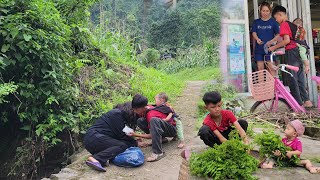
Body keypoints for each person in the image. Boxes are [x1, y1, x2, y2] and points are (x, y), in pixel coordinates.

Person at [269, 5, 313, 108]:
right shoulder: (292, 25)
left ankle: (298, 105)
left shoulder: (284, 24)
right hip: (298, 52)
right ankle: (307, 101)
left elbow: (286, 40)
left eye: (276, 18)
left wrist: (273, 47)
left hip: (291, 52)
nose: (276, 20)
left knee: (292, 78)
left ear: (280, 15)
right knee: (300, 78)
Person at [83, 102, 145, 172]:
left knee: (121, 145)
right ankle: (96, 158)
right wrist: (135, 143)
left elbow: (121, 134)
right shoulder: (116, 114)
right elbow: (121, 135)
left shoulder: (118, 115)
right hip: (94, 137)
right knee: (121, 145)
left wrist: (134, 140)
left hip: (96, 139)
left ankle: (103, 158)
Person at [130, 94, 177, 162]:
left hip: (172, 130)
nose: (135, 111)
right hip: (164, 127)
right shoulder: (147, 108)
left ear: (143, 107)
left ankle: (158, 153)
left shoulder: (150, 114)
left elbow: (152, 135)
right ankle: (161, 139)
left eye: (136, 109)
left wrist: (136, 135)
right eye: (134, 109)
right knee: (140, 121)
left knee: (153, 120)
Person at [251, 1, 280, 73]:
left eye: (267, 11)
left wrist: (272, 41)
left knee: (271, 68)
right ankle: (262, 84)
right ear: (260, 11)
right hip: (259, 49)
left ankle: (272, 84)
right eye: (263, 11)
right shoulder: (256, 22)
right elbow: (254, 32)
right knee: (260, 69)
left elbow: (278, 34)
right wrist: (257, 39)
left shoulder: (273, 22)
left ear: (270, 11)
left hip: (270, 48)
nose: (265, 13)